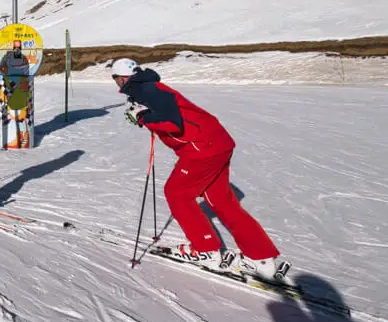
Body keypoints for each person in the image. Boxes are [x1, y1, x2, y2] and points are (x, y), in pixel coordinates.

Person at [111, 58, 285, 279]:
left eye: (115, 78)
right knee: (221, 201)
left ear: (122, 78)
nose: (116, 83)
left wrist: (143, 117)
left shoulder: (145, 88)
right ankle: (262, 258)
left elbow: (173, 123)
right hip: (218, 142)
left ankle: (206, 251)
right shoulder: (149, 85)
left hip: (202, 148)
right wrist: (144, 115)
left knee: (177, 193)